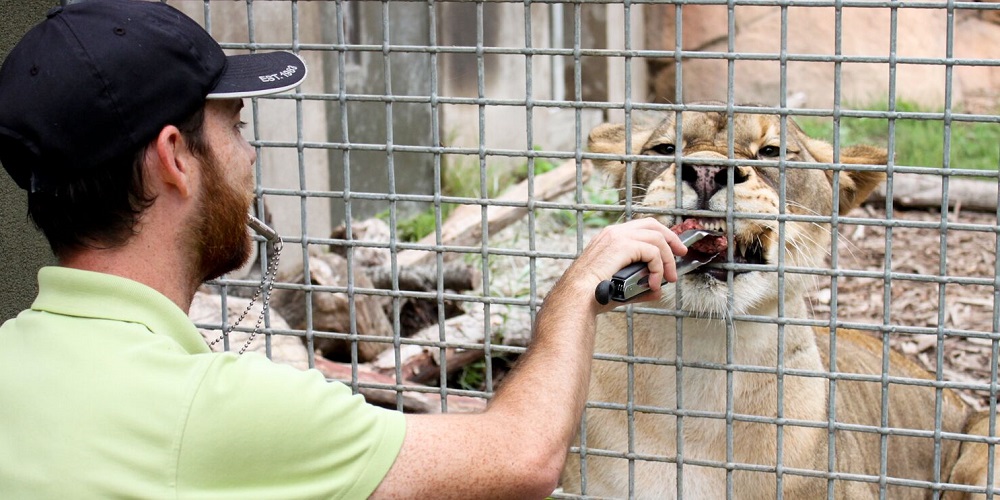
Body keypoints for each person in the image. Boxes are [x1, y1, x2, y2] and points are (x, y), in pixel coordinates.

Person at [0, 1, 688, 498]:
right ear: (175, 159)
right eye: (236, 124)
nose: (251, 153)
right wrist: (572, 297)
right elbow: (522, 458)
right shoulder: (216, 408)